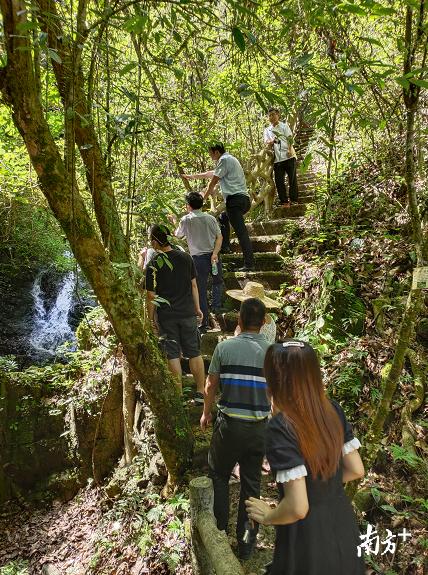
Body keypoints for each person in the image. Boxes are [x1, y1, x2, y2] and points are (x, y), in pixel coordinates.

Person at [245, 340, 366, 575]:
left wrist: (269, 515)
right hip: (343, 525)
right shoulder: (332, 410)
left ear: (273, 379)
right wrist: (319, 490)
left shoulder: (280, 427)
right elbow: (356, 469)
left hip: (307, 539)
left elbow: (298, 507)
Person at [200, 298, 271, 560]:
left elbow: (210, 386)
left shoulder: (224, 348)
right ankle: (246, 545)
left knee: (219, 475)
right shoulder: (274, 353)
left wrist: (206, 412)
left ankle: (218, 533)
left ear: (239, 320)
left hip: (229, 427)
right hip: (258, 429)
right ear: (263, 323)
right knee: (252, 487)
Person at [145, 224, 206, 402]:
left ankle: (178, 396)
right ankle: (201, 392)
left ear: (155, 241)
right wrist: (197, 308)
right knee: (194, 352)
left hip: (167, 316)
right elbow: (194, 284)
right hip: (188, 313)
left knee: (172, 355)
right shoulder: (186, 257)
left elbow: (151, 295)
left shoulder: (153, 264)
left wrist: (150, 318)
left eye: (151, 240)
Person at [182, 143, 254, 271]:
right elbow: (211, 173)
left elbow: (213, 181)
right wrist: (193, 176)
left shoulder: (224, 160)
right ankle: (225, 247)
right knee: (223, 217)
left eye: (210, 152)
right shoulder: (229, 159)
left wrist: (202, 199)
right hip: (243, 200)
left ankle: (249, 264)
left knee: (241, 233)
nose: (209, 155)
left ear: (216, 152)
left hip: (235, 201)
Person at [174, 191, 224, 333]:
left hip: (197, 260)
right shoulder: (210, 218)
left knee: (200, 290)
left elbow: (178, 235)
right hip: (213, 257)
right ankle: (217, 308)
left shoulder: (186, 220)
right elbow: (219, 237)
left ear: (188, 206)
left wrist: (174, 222)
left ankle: (204, 322)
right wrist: (215, 253)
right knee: (217, 281)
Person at [264, 107, 298, 207]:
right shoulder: (267, 130)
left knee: (292, 179)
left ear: (278, 115)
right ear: (268, 118)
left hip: (289, 156)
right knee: (279, 181)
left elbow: (290, 138)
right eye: (270, 115)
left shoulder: (284, 126)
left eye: (274, 114)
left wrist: (289, 149)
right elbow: (266, 141)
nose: (272, 117)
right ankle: (284, 201)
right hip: (277, 159)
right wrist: (270, 141)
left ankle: (294, 200)